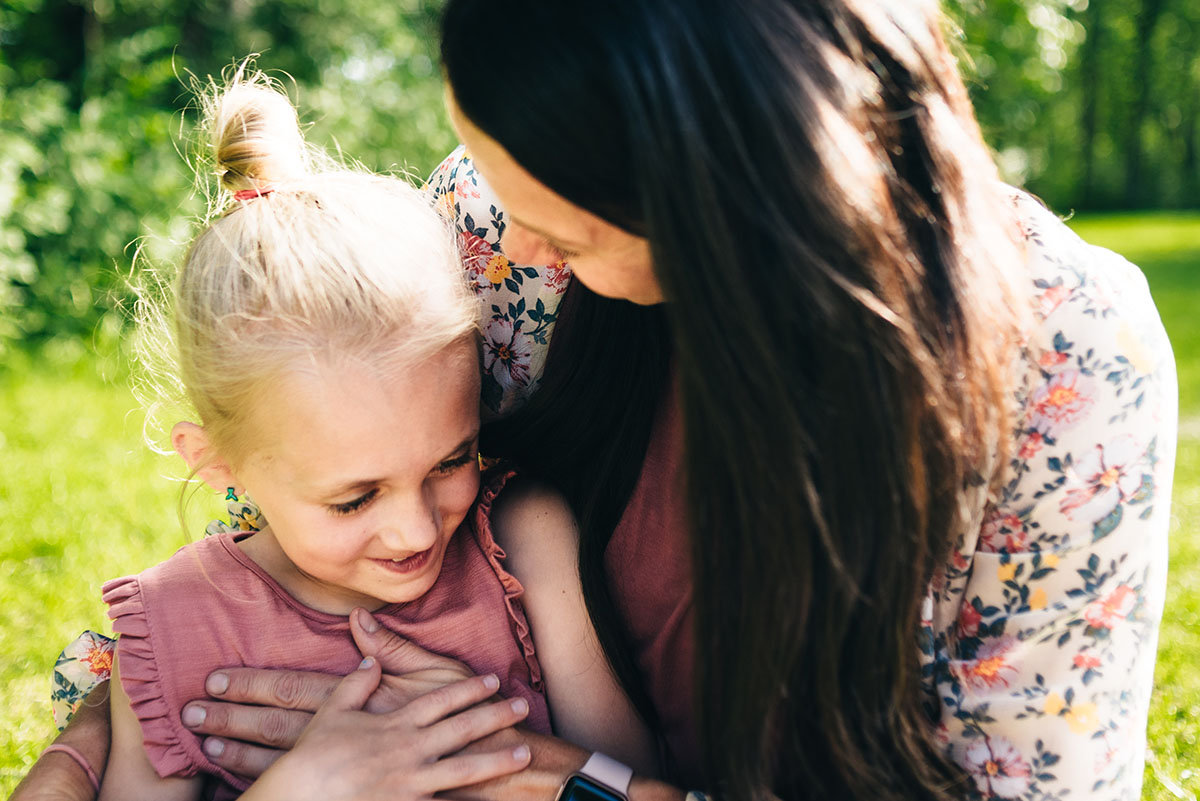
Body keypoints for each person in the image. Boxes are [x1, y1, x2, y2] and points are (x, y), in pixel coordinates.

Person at [16, 2, 1177, 800]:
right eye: (483, 170)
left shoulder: (1065, 370)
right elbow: (298, 509)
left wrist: (567, 783)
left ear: (731, 192)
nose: (503, 241)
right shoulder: (497, 216)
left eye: (563, 220)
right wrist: (98, 743)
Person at [54, 73, 654, 801]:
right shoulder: (172, 628)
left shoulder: (525, 539)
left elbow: (635, 787)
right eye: (353, 498)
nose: (413, 529)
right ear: (218, 462)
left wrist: (498, 755)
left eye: (451, 458)